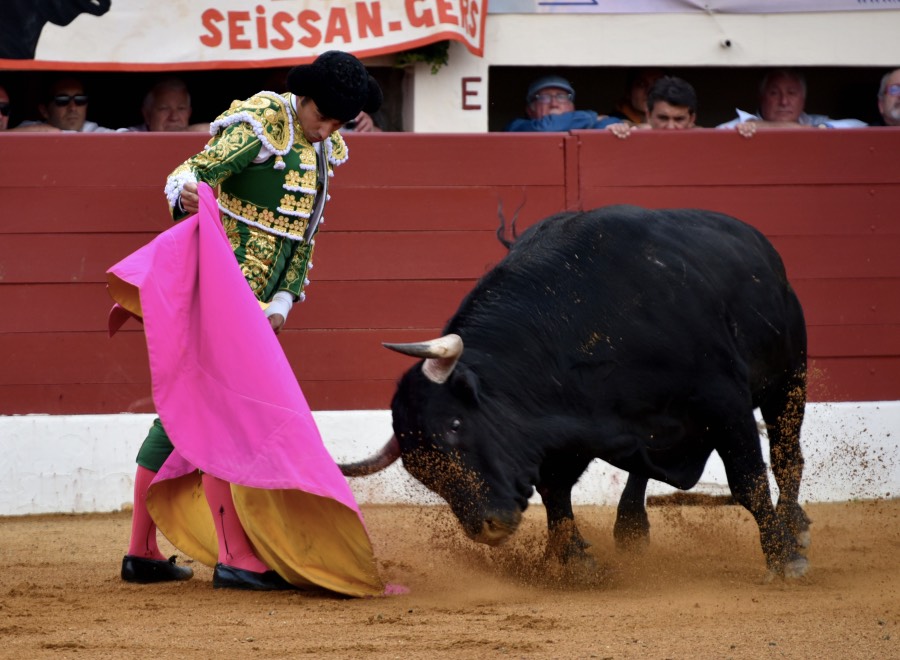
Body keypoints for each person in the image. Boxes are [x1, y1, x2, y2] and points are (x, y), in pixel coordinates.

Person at [118, 51, 391, 594]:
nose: (327, 130)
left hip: (257, 309)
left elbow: (303, 237)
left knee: (181, 417)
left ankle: (141, 552)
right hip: (219, 293)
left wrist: (282, 302)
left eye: (339, 122)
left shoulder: (323, 146)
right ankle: (235, 557)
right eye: (323, 117)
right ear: (304, 99)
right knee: (224, 414)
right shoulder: (263, 122)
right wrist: (185, 191)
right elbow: (194, 171)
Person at [718, 68, 866, 136]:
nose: (784, 101)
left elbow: (860, 126)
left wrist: (764, 127)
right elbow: (719, 132)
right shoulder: (743, 125)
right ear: (761, 98)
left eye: (792, 93)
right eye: (774, 93)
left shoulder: (814, 122)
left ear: (803, 99)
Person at [505, 75, 624, 132]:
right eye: (544, 97)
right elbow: (546, 127)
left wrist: (614, 127)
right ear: (530, 110)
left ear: (572, 108)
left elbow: (612, 122)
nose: (554, 104)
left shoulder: (584, 123)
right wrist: (592, 117)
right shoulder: (516, 126)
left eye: (561, 97)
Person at [608, 76, 698, 139]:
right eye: (663, 118)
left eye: (679, 119)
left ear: (691, 119)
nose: (670, 127)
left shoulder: (703, 140)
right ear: (649, 115)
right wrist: (617, 131)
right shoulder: (634, 134)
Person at [17, 76, 114, 132]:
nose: (73, 108)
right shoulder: (30, 129)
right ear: (44, 111)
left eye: (80, 100)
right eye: (62, 100)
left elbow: (123, 137)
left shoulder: (92, 130)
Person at [120, 77, 206, 132]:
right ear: (147, 115)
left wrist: (187, 132)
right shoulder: (133, 135)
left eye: (181, 109)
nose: (174, 117)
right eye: (164, 109)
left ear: (189, 113)